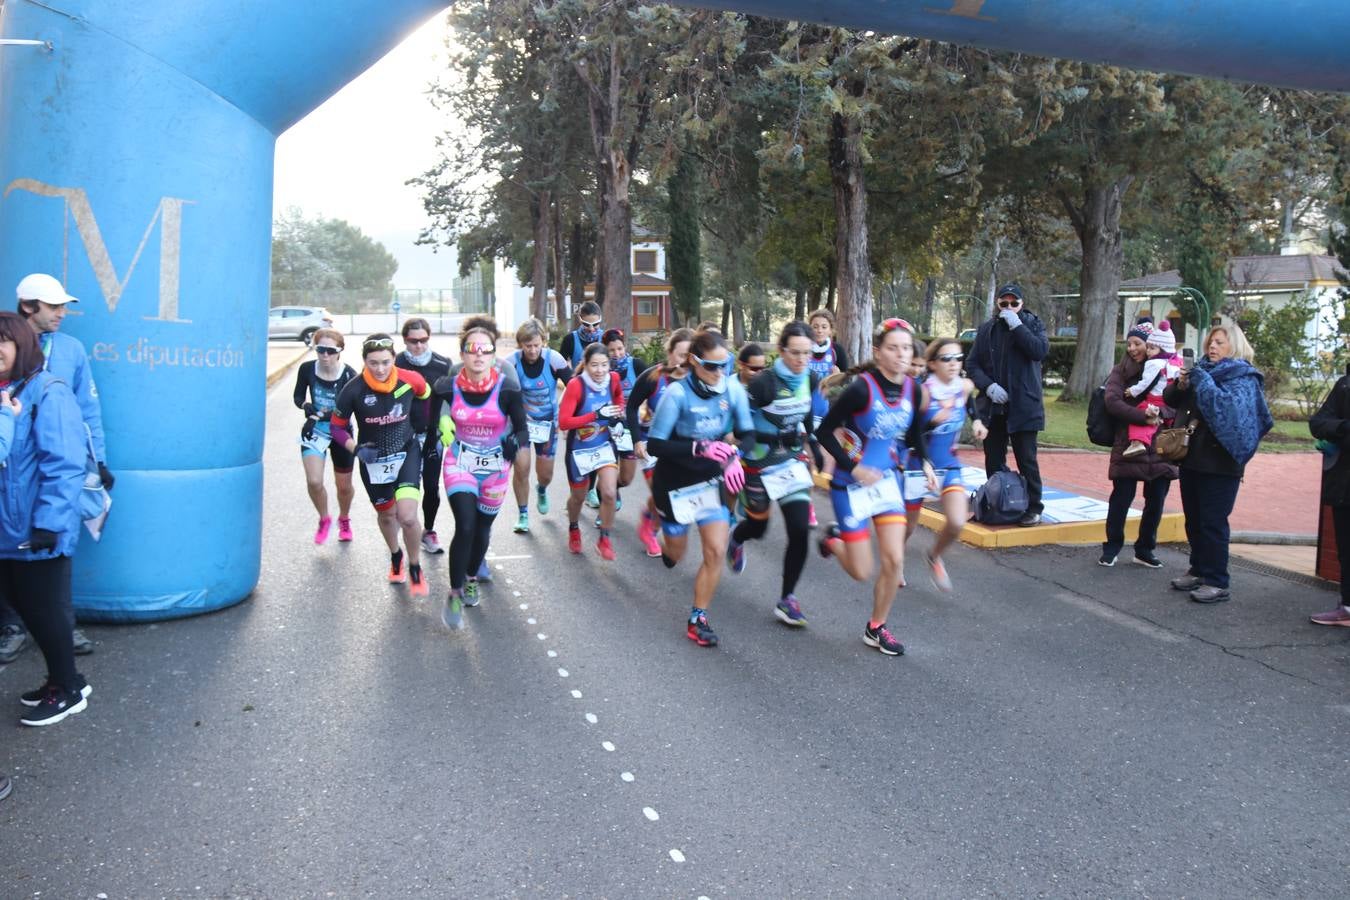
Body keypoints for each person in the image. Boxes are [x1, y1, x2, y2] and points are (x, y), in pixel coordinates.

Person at [0, 273, 106, 662]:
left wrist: (101, 460)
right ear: (28, 307)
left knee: (51, 554)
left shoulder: (70, 351)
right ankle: (13, 627)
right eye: (54, 306)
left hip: (43, 481)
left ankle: (61, 633)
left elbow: (87, 410)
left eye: (64, 305)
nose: (63, 313)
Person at [815, 318, 936, 657]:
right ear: (878, 352)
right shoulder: (861, 390)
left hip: (887, 485)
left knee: (895, 560)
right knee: (860, 571)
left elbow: (914, 434)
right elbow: (824, 432)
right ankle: (831, 540)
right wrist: (854, 467)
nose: (901, 355)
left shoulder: (913, 389)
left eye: (906, 348)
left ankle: (876, 627)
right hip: (850, 487)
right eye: (893, 348)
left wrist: (925, 462)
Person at [0, 311, 90, 725]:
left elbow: (65, 463)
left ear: (22, 344)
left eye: (4, 341)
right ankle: (63, 677)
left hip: (36, 527)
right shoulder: (6, 393)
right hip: (8, 530)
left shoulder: (47, 391)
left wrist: (49, 524)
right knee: (23, 605)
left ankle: (68, 689)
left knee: (45, 609)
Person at [646, 329, 754, 647]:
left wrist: (735, 456)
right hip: (675, 483)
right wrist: (698, 448)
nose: (720, 373)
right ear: (694, 361)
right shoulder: (677, 395)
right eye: (712, 366)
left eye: (725, 365)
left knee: (716, 550)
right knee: (676, 554)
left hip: (709, 480)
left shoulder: (731, 389)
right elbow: (655, 445)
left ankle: (698, 618)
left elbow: (747, 434)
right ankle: (666, 545)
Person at [1162, 322, 1272, 604]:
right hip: (1192, 458)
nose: (1212, 347)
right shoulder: (1202, 372)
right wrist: (1181, 384)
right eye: (1211, 342)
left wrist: (1202, 381)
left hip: (1222, 463)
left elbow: (1228, 414)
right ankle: (1198, 569)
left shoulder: (1243, 377)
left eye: (1219, 343)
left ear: (1233, 346)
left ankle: (1217, 580)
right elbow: (1172, 401)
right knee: (1195, 521)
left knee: (1213, 523)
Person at [429, 321, 527, 629]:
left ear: (494, 354)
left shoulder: (508, 388)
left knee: (483, 529)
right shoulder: (446, 386)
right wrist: (442, 427)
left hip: (496, 467)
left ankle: (471, 576)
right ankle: (455, 591)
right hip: (460, 462)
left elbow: (522, 428)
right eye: (472, 349)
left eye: (486, 349)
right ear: (463, 353)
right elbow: (435, 420)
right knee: (466, 525)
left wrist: (515, 443)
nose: (479, 355)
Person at [724, 322, 818, 625]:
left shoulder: (811, 379)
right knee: (758, 528)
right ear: (781, 350)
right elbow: (739, 424)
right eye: (795, 353)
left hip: (790, 463)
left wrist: (811, 445)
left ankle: (787, 598)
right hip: (758, 463)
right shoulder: (764, 383)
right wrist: (753, 441)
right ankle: (737, 538)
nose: (802, 359)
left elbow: (806, 416)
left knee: (800, 530)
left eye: (807, 353)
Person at [330, 334, 432, 599]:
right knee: (387, 515)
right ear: (364, 361)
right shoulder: (353, 389)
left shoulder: (410, 379)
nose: (380, 368)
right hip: (372, 460)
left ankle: (414, 566)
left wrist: (424, 426)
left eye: (385, 362)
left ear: (394, 359)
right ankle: (395, 556)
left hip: (406, 452)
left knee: (408, 516)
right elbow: (336, 428)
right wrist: (356, 449)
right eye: (373, 363)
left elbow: (426, 395)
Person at [902, 338, 988, 592]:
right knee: (907, 526)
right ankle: (896, 563)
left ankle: (934, 555)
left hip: (949, 464)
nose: (953, 364)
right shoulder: (924, 393)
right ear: (932, 364)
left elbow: (970, 403)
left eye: (958, 358)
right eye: (946, 359)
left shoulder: (963, 386)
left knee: (957, 521)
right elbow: (910, 435)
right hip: (918, 464)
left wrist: (977, 422)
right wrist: (931, 424)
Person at [967, 283, 1049, 527]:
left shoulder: (1033, 324)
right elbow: (972, 365)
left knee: (1027, 459)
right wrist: (989, 386)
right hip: (994, 407)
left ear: (1022, 304)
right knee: (993, 458)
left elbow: (1040, 350)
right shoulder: (987, 329)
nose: (1009, 307)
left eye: (1015, 303)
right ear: (998, 303)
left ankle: (1034, 507)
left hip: (1024, 405)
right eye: (1005, 303)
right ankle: (996, 500)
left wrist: (1017, 326)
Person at [1099, 319, 1177, 568]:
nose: (1133, 349)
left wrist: (1160, 414)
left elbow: (1178, 401)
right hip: (1130, 443)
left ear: (1151, 344)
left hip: (1162, 444)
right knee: (1122, 497)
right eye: (1129, 344)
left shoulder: (1167, 369)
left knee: (1156, 500)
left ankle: (1145, 548)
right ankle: (1112, 546)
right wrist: (1142, 416)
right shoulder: (1121, 371)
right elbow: (1112, 401)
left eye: (1138, 344)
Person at [627, 328, 694, 558]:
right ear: (670, 352)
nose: (684, 361)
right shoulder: (653, 377)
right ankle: (650, 530)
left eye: (689, 355)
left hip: (681, 447)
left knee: (674, 492)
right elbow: (632, 405)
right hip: (652, 444)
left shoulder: (698, 380)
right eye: (680, 354)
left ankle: (650, 518)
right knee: (662, 491)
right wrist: (637, 440)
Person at [558, 343, 625, 560]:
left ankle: (604, 538)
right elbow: (564, 422)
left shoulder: (613, 379)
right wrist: (595, 415)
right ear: (585, 365)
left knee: (608, 493)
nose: (600, 370)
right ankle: (574, 527)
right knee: (578, 497)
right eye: (594, 365)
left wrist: (617, 419)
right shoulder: (576, 386)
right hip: (579, 450)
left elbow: (618, 399)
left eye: (604, 365)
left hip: (604, 444)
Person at [506, 317, 571, 534]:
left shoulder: (555, 359)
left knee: (545, 475)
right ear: (520, 344)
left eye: (536, 345)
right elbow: (497, 391)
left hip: (547, 426)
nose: (532, 350)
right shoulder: (511, 362)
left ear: (543, 342)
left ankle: (541, 489)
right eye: (527, 346)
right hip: (521, 426)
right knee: (521, 469)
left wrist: (568, 417)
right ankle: (523, 514)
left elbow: (574, 387)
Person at [293, 328, 358, 544]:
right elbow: (298, 396)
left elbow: (355, 406)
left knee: (344, 487)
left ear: (340, 351)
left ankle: (344, 518)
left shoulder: (349, 374)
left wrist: (335, 414)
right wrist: (306, 405)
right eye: (320, 350)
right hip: (316, 429)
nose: (325, 355)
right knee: (314, 481)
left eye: (331, 351)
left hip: (340, 432)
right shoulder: (307, 369)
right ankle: (324, 518)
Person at [395, 318, 452, 554]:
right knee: (405, 486)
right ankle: (404, 526)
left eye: (423, 340)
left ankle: (428, 530)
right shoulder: (395, 362)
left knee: (431, 486)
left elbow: (450, 396)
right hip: (403, 434)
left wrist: (446, 421)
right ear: (405, 340)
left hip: (432, 434)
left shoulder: (442, 363)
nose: (418, 346)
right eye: (413, 341)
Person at [1309, 369, 1350, 626]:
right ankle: (1347, 606)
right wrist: (1345, 427)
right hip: (1344, 484)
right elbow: (1318, 423)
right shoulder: (1345, 384)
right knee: (1345, 549)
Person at [1123, 320, 1181, 458]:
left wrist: (1132, 391)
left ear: (1163, 349)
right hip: (1170, 403)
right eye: (1148, 347)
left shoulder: (1153, 363)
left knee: (1143, 415)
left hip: (1155, 400)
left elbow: (1145, 383)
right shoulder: (1177, 361)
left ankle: (1137, 442)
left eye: (1151, 348)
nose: (1148, 351)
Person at [601, 328, 639, 517]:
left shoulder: (636, 365)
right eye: (612, 350)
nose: (617, 354)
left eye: (620, 349)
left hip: (629, 429)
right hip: (605, 428)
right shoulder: (600, 368)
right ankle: (604, 506)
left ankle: (613, 487)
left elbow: (651, 388)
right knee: (607, 470)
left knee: (626, 478)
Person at [560, 301, 604, 369]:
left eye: (595, 324)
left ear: (600, 319)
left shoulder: (606, 338)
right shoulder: (569, 339)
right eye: (586, 324)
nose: (591, 329)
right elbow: (560, 366)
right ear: (580, 320)